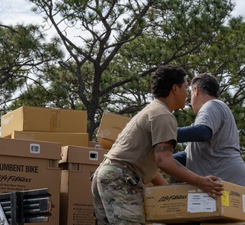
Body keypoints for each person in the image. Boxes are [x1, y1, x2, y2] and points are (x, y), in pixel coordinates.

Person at [91, 65, 224, 225]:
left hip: (107, 175)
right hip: (120, 179)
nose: (187, 93)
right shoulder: (163, 115)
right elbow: (164, 160)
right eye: (184, 86)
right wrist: (200, 181)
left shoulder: (150, 111)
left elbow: (150, 166)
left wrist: (172, 195)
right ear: (175, 88)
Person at [172, 73, 245, 189]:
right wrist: (160, 160)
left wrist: (163, 133)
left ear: (196, 90)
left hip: (226, 183)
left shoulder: (212, 105)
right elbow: (188, 157)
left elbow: (202, 132)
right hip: (229, 183)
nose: (190, 101)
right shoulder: (216, 111)